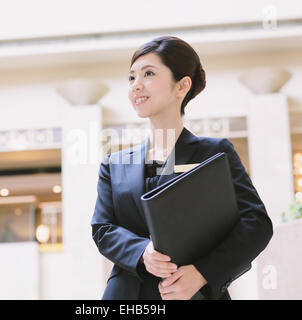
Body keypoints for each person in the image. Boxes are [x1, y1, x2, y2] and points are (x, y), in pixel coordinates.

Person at [91, 36, 273, 300]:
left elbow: (256, 224)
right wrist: (142, 251)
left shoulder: (215, 153)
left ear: (182, 86)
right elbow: (102, 228)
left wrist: (202, 273)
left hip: (195, 293)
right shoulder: (114, 164)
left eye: (148, 74)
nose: (136, 86)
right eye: (131, 78)